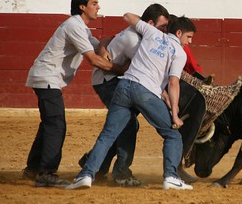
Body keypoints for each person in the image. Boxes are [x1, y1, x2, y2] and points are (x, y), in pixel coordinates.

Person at [66, 15, 196, 191]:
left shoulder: (151, 32)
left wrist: (156, 25)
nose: (189, 42)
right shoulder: (179, 52)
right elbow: (173, 83)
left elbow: (127, 15)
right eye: (188, 37)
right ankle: (172, 177)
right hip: (145, 92)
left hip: (124, 86)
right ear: (179, 33)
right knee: (172, 135)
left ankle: (85, 175)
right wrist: (174, 114)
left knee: (108, 135)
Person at [22, 0, 128, 187]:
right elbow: (93, 59)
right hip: (47, 77)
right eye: (94, 3)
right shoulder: (74, 25)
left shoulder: (81, 27)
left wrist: (113, 40)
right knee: (56, 124)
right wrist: (120, 69)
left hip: (47, 77)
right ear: (82, 6)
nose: (98, 7)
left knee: (49, 124)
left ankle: (33, 169)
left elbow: (99, 47)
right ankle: (47, 173)